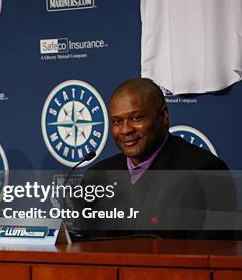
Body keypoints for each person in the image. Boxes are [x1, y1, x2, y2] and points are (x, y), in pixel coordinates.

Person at [79, 78, 236, 238]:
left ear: (163, 116)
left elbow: (218, 253)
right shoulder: (97, 175)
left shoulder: (205, 170)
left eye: (136, 118)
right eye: (117, 121)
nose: (126, 130)